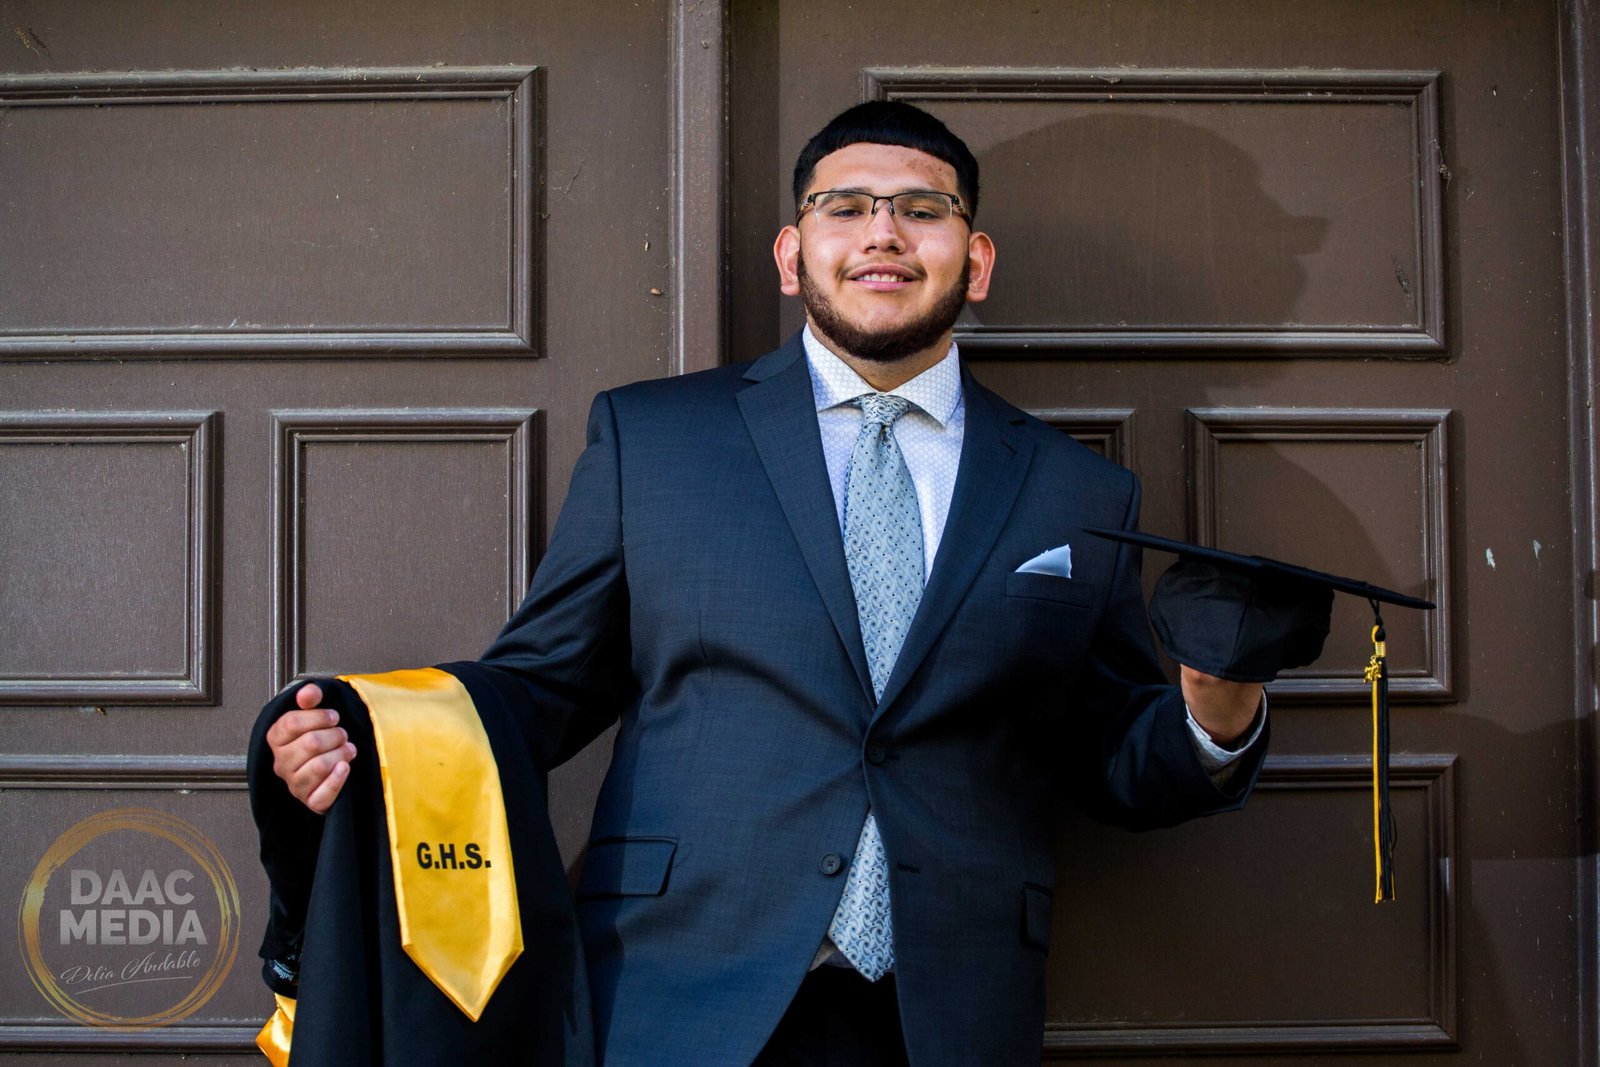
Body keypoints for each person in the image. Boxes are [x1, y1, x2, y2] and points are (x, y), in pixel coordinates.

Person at [264, 101, 1275, 1065]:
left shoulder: (1074, 489)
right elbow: (542, 686)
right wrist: (373, 738)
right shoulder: (653, 439)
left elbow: (1110, 748)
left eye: (922, 209)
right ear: (793, 257)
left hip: (949, 1009)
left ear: (975, 263)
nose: (883, 232)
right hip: (679, 991)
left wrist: (1215, 711)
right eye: (846, 206)